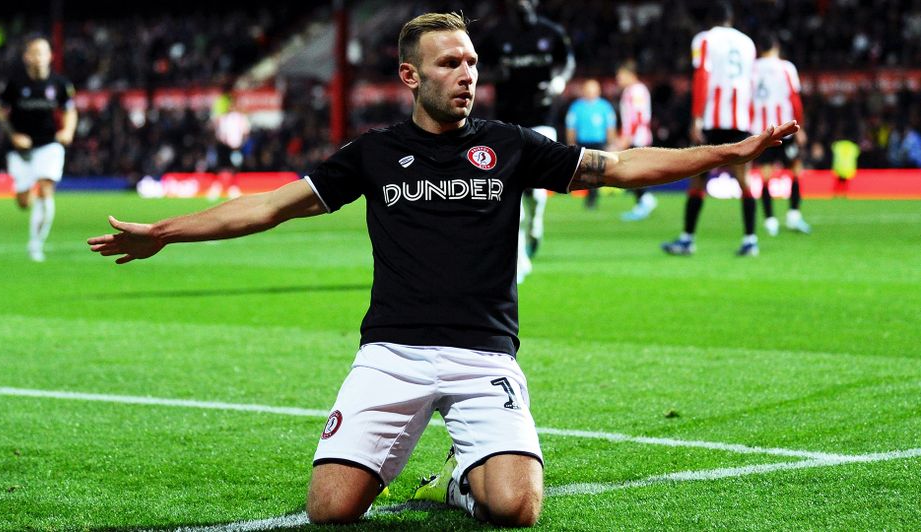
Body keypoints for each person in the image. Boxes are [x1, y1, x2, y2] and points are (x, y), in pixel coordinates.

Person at [87, 12, 797, 527]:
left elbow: (621, 167)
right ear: (410, 74)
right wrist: (166, 233)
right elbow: (268, 207)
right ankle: (439, 470)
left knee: (516, 508)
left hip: (482, 353)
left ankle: (459, 480)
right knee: (329, 511)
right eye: (449, 63)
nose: (465, 75)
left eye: (470, 63)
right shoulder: (371, 153)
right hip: (389, 355)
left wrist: (728, 154)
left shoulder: (511, 145)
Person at [477, 0, 575, 282]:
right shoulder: (496, 35)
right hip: (506, 122)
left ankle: (536, 224)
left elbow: (567, 61)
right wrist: (492, 75)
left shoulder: (551, 32)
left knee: (535, 192)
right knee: (510, 190)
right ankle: (519, 258)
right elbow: (474, 66)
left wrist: (558, 81)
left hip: (542, 119)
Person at [662, 1, 759, 257]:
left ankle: (687, 239)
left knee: (698, 178)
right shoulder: (748, 43)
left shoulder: (705, 39)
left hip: (713, 119)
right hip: (740, 119)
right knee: (744, 180)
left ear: (710, 20)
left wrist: (696, 117)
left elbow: (702, 77)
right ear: (731, 18)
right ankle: (750, 240)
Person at [0, 36, 77, 262]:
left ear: (50, 56)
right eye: (35, 53)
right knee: (23, 203)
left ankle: (35, 244)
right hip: (21, 150)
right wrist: (13, 135)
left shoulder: (60, 84)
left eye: (44, 53)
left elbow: (70, 110)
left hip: (49, 145)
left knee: (45, 188)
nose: (39, 58)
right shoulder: (14, 83)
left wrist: (68, 131)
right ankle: (28, 193)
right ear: (27, 57)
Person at [750, 33, 811, 235]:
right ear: (776, 46)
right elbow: (794, 99)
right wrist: (799, 125)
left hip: (762, 130)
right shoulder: (786, 68)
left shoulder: (752, 68)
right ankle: (794, 216)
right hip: (785, 129)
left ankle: (770, 221)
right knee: (795, 168)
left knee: (765, 175)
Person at [614, 59, 658, 221]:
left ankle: (645, 200)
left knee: (635, 172)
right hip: (635, 136)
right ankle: (643, 201)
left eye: (620, 75)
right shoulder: (632, 90)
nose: (617, 79)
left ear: (629, 74)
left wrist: (626, 137)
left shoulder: (636, 90)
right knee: (633, 172)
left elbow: (637, 117)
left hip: (638, 138)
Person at [564, 78, 617, 209]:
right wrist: (571, 143)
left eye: (593, 89)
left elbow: (610, 126)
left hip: (599, 143)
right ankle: (587, 195)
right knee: (585, 173)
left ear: (598, 91)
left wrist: (611, 143)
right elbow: (571, 126)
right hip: (582, 143)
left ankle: (592, 199)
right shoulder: (576, 107)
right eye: (588, 89)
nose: (590, 92)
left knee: (595, 173)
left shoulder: (605, 106)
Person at [208, 93, 250, 201]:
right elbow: (220, 133)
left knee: (235, 168)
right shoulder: (224, 118)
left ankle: (233, 187)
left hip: (237, 147)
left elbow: (246, 133)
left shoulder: (241, 118)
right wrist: (224, 143)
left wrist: (241, 144)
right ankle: (217, 187)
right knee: (221, 167)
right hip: (225, 146)